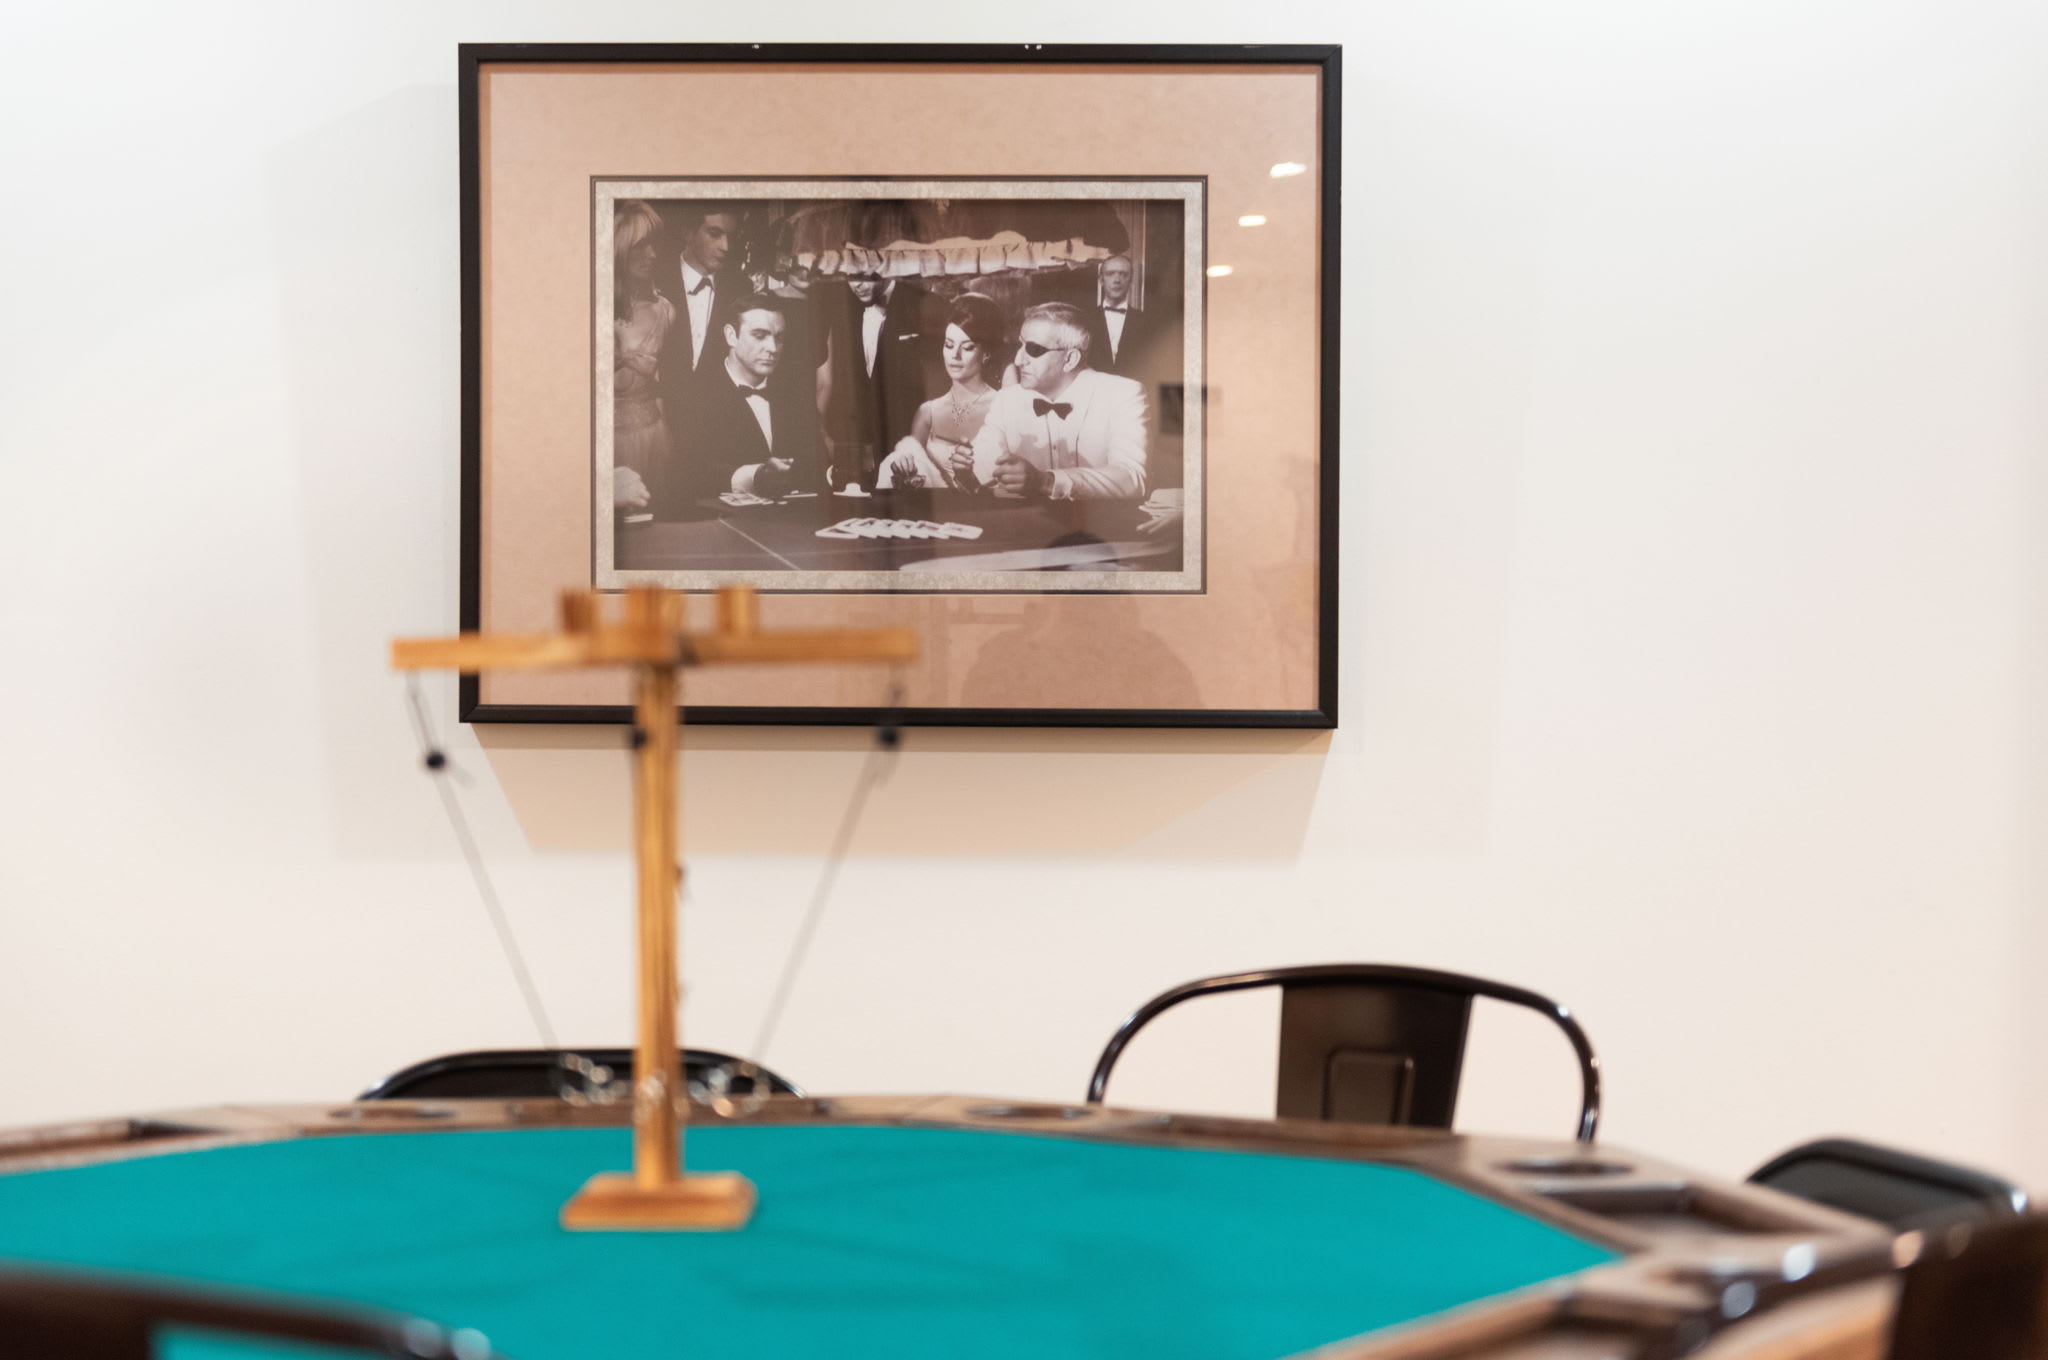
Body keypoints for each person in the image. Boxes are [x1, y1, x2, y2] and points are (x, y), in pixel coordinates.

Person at [659, 294, 826, 514]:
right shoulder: (694, 394)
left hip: (792, 524)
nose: (773, 348)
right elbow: (689, 474)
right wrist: (755, 477)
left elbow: (816, 459)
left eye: (779, 338)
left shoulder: (793, 392)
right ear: (731, 336)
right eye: (759, 336)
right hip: (720, 525)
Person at [971, 302, 1147, 501]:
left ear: (1070, 359)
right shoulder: (1007, 399)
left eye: (1034, 349)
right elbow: (983, 466)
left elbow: (1131, 477)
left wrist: (1046, 481)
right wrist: (968, 468)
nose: (1019, 360)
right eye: (1020, 345)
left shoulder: (1123, 394)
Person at [819, 267, 941, 489]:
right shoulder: (842, 308)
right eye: (849, 276)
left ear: (886, 265)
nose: (857, 284)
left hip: (911, 441)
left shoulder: (926, 304)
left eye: (865, 275)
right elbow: (837, 377)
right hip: (860, 446)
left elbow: (938, 387)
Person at [877, 293, 1004, 491]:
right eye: (949, 345)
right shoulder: (928, 411)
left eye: (968, 347)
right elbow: (911, 455)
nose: (955, 355)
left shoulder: (1002, 407)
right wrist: (903, 460)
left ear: (986, 353)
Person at [656, 205, 744, 457]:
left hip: (715, 436)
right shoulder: (654, 279)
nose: (725, 246)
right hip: (655, 428)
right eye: (715, 234)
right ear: (688, 232)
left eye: (730, 236)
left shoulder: (740, 287)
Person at [611, 201, 675, 495]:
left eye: (654, 245)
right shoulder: (587, 306)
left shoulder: (666, 311)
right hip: (606, 441)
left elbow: (665, 388)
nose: (652, 255)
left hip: (655, 439)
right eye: (641, 245)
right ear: (619, 247)